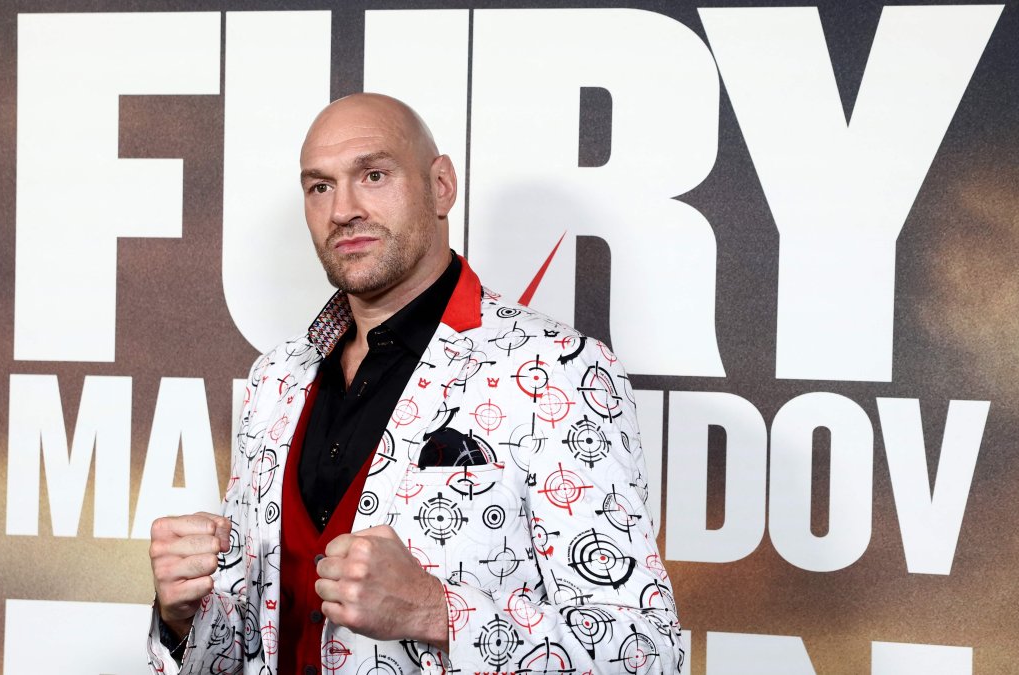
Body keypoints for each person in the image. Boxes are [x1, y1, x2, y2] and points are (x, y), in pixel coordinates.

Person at [147, 93, 683, 675]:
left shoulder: (557, 370)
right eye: (319, 187)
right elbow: (252, 646)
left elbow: (647, 653)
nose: (343, 209)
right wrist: (183, 617)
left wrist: (435, 611)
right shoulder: (275, 379)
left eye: (373, 175)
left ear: (442, 186)